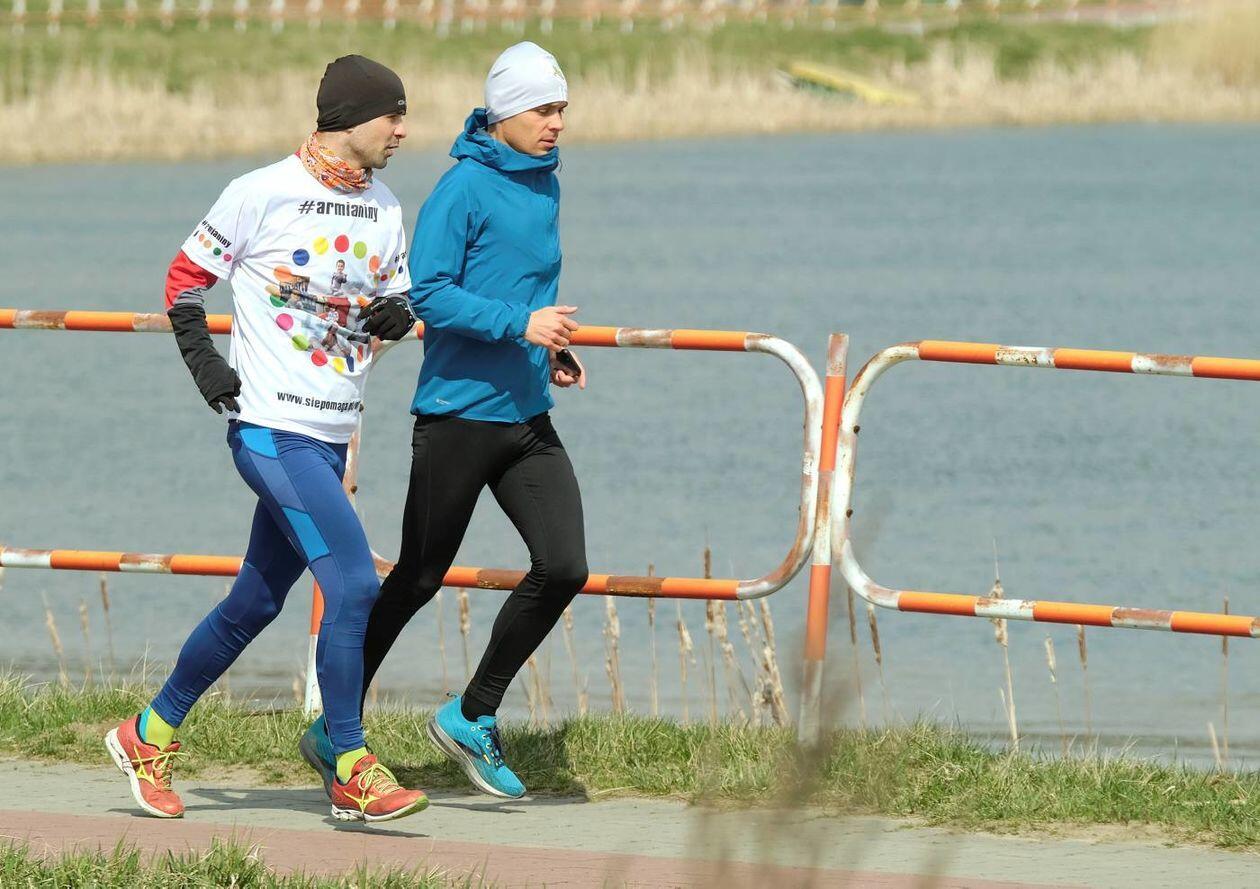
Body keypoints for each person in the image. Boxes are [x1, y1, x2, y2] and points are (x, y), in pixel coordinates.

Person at [104, 55, 427, 824]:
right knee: (355, 582)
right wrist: (204, 363)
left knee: (254, 601)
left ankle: (147, 732)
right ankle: (348, 759)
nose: (403, 130)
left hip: (331, 433)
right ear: (351, 118)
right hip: (271, 429)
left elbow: (395, 301)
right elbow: (185, 279)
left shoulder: (385, 208)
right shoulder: (260, 192)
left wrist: (400, 314)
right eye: (393, 115)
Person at [300, 41, 587, 800]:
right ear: (505, 113)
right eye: (543, 109)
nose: (557, 122)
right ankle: (335, 724)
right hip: (457, 416)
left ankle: (471, 713)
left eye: (561, 109)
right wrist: (520, 324)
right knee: (419, 577)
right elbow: (428, 293)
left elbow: (525, 288)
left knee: (564, 567)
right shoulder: (462, 188)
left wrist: (549, 348)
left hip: (525, 415)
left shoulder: (545, 181)